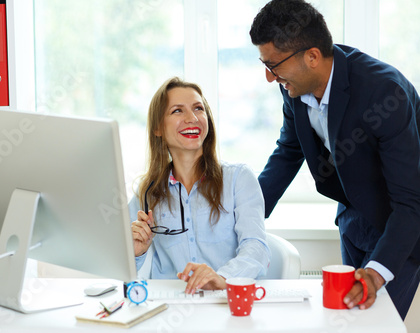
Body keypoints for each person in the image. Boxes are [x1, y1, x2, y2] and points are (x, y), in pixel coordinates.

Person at [249, 0, 420, 319]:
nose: (270, 78)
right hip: (352, 215)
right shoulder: (294, 86)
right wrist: (244, 213)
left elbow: (411, 200)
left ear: (312, 56)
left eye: (274, 66)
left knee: (376, 325)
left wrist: (376, 272)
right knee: (345, 321)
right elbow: (289, 151)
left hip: (402, 227)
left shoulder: (384, 92)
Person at [129, 77, 270, 294]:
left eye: (198, 108)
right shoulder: (146, 192)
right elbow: (122, 272)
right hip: (171, 305)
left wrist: (223, 277)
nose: (192, 118)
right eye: (178, 111)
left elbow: (257, 248)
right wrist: (136, 254)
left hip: (224, 302)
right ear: (158, 127)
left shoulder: (239, 179)